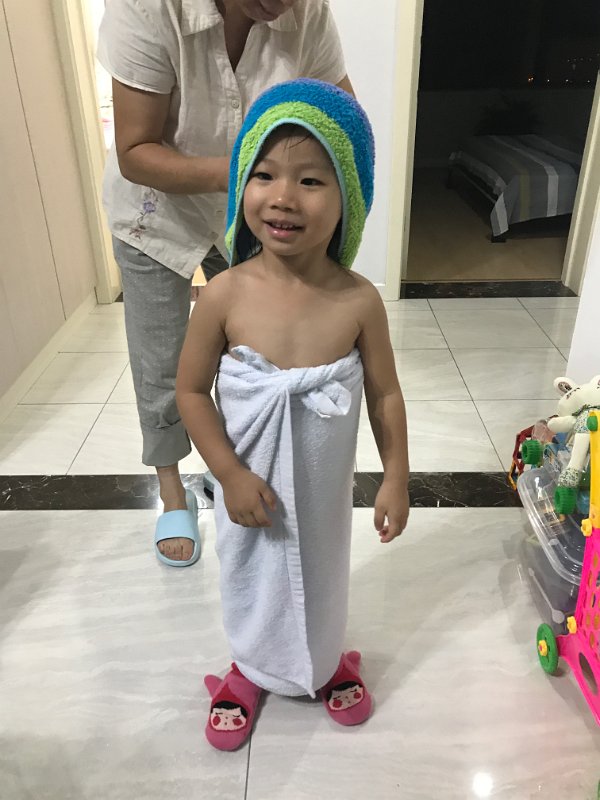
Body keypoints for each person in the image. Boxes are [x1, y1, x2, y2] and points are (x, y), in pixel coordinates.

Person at [175, 79, 410, 750]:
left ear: (348, 199)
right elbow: (190, 391)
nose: (283, 197)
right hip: (247, 487)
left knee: (325, 571)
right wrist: (228, 474)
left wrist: (396, 476)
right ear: (242, 186)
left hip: (323, 491)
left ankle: (325, 659)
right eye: (264, 174)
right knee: (250, 575)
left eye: (311, 180)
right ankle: (249, 666)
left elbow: (385, 394)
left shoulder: (358, 301)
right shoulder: (223, 295)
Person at [97, 0, 354, 566]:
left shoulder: (308, 12)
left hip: (252, 215)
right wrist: (261, 173)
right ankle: (173, 492)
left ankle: (236, 469)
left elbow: (342, 125)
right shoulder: (148, 7)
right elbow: (136, 151)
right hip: (156, 214)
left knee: (253, 356)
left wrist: (298, 188)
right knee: (163, 363)